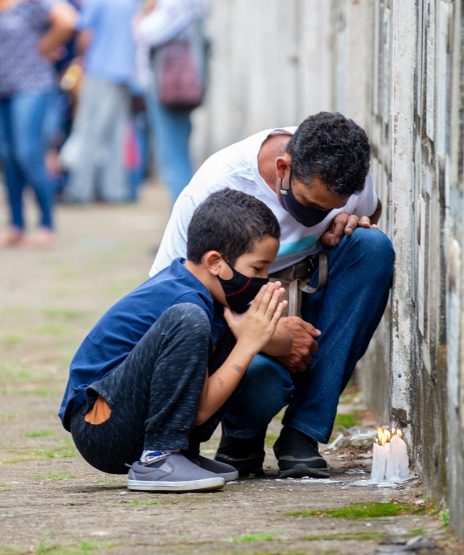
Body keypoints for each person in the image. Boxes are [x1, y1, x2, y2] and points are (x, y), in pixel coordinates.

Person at [151, 111, 395, 479]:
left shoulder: (349, 172)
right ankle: (242, 437)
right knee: (262, 375)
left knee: (372, 248)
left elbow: (369, 212)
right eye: (310, 205)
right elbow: (171, 295)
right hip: (237, 320)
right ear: (283, 167)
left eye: (333, 208)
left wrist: (349, 224)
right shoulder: (217, 186)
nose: (319, 216)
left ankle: (303, 434)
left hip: (310, 298)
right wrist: (269, 337)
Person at [59, 188, 289, 492]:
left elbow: (286, 343)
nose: (265, 278)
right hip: (100, 426)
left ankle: (181, 452)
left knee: (236, 329)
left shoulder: (211, 293)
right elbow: (202, 409)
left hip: (123, 418)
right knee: (194, 321)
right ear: (215, 262)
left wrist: (257, 331)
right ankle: (158, 457)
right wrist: (249, 342)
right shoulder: (185, 302)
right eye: (258, 268)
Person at [0, 0, 77, 247]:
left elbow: (68, 19)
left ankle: (46, 224)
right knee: (7, 156)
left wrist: (45, 47)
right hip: (5, 89)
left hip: (31, 86)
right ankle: (17, 225)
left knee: (27, 152)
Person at [60, 0, 137, 203]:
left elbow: (85, 33)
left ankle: (80, 190)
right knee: (117, 134)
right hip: (126, 72)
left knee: (89, 131)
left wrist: (80, 58)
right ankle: (115, 190)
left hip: (100, 70)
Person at [134, 0, 206, 204]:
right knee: (177, 150)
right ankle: (187, 211)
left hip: (168, 85)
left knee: (172, 154)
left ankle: (184, 215)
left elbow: (147, 32)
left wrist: (145, 15)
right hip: (178, 84)